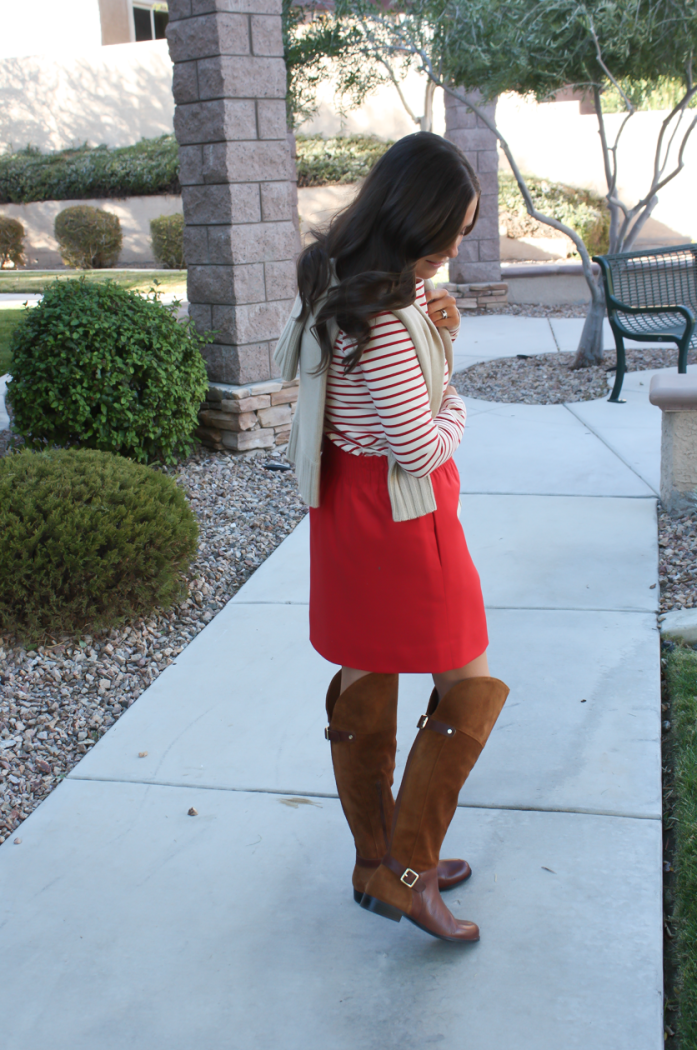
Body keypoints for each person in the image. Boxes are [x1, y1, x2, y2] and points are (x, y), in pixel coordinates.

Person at [274, 132, 509, 944]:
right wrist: (461, 401)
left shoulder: (337, 282)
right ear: (414, 222)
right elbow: (419, 442)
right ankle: (407, 875)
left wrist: (434, 336)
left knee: (366, 670)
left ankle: (379, 861)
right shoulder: (383, 314)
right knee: (468, 682)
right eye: (449, 234)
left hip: (350, 513)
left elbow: (369, 402)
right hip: (406, 522)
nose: (451, 251)